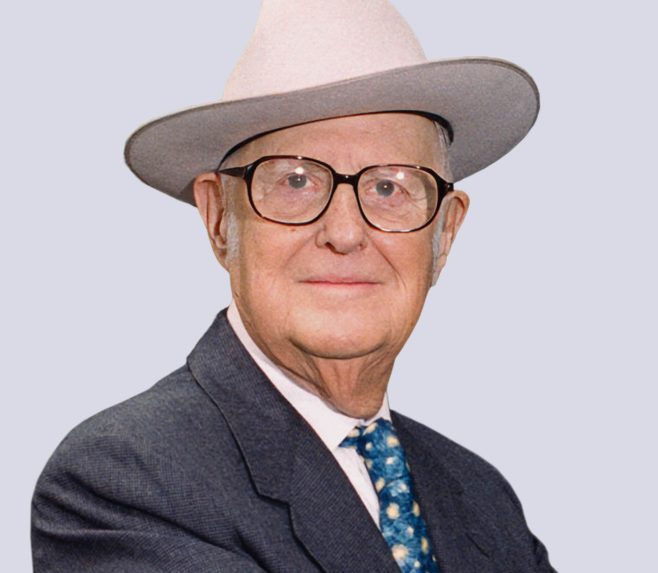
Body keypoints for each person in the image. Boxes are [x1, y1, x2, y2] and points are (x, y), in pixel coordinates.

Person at [31, 1, 555, 571]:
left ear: (444, 234)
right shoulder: (125, 482)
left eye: (389, 188)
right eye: (296, 181)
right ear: (218, 219)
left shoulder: (482, 499)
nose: (345, 233)